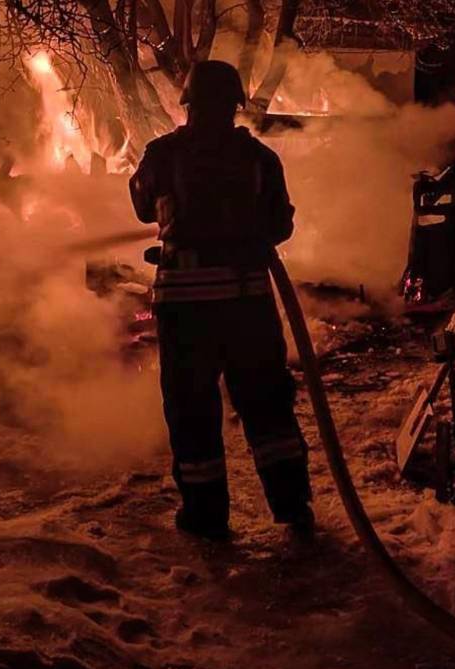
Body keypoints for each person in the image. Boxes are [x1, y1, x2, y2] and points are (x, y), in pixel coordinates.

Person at [129, 60, 313, 541]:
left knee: (193, 413)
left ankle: (206, 517)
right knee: (268, 409)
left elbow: (142, 204)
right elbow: (281, 226)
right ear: (234, 105)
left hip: (185, 312)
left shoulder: (162, 155)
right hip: (247, 305)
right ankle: (292, 507)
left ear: (187, 104)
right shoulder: (260, 160)